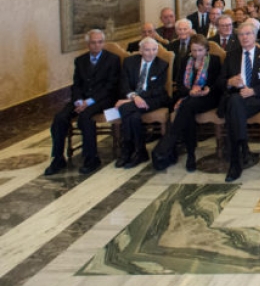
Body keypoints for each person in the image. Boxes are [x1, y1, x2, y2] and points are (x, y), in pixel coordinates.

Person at [45, 29, 122, 176]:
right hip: (81, 100)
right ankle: (58, 158)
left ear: (103, 43)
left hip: (102, 99)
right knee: (60, 118)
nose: (96, 45)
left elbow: (110, 86)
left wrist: (89, 102)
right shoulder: (80, 61)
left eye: (100, 42)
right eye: (93, 42)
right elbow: (76, 84)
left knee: (85, 118)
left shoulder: (112, 59)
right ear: (88, 44)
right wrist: (79, 100)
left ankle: (91, 158)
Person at [151, 34, 222, 172]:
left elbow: (218, 84)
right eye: (194, 50)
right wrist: (190, 92)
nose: (197, 54)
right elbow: (179, 84)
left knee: (186, 106)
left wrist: (207, 89)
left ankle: (168, 144)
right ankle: (190, 154)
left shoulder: (214, 60)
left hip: (208, 97)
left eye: (200, 50)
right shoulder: (185, 61)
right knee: (187, 109)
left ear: (206, 49)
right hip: (189, 97)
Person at [219, 21, 260, 182]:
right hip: (235, 98)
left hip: (256, 100)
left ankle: (239, 155)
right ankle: (240, 152)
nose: (245, 37)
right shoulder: (231, 55)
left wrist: (254, 90)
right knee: (235, 102)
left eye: (248, 34)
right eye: (241, 34)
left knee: (233, 108)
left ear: (255, 36)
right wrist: (230, 82)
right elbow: (219, 81)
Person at [115, 37, 170, 169]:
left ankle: (127, 149)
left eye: (154, 49)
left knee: (124, 108)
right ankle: (139, 150)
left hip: (155, 99)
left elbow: (157, 89)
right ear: (140, 50)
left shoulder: (162, 64)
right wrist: (134, 97)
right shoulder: (129, 62)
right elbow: (124, 84)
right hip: (134, 99)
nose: (151, 53)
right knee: (133, 116)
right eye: (147, 50)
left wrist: (134, 98)